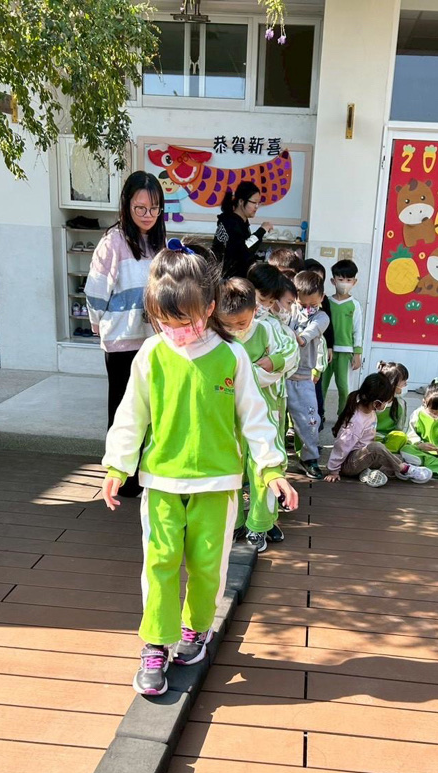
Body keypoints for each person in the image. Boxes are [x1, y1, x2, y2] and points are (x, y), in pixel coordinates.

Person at [101, 240, 298, 697]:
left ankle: (196, 628)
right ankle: (156, 642)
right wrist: (117, 466)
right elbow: (131, 415)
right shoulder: (152, 354)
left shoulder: (232, 357)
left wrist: (272, 469)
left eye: (185, 321)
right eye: (164, 322)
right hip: (161, 481)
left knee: (209, 565)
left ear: (209, 307)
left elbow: (256, 419)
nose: (176, 332)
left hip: (218, 483)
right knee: (160, 561)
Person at [86, 171, 167, 496]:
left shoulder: (160, 243)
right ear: (127, 206)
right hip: (121, 343)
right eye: (140, 208)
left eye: (154, 208)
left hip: (155, 340)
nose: (148, 215)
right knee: (123, 409)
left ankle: (146, 471)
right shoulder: (113, 242)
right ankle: (122, 476)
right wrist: (100, 325)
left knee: (152, 409)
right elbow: (95, 292)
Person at [219, 277, 299, 551]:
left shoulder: (267, 329)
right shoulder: (217, 336)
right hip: (229, 414)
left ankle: (260, 523)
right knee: (232, 467)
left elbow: (290, 353)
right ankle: (234, 521)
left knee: (264, 467)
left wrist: (273, 362)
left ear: (255, 311)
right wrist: (256, 371)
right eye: (228, 324)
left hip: (265, 411)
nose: (235, 329)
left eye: (241, 323)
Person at [325, 373, 432, 487]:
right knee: (377, 448)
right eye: (386, 402)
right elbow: (341, 447)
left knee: (396, 457)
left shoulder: (370, 411)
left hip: (362, 458)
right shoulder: (356, 421)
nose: (387, 404)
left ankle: (368, 473)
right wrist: (334, 470)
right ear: (376, 403)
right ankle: (403, 469)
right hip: (348, 464)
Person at [287, 270, 330, 480]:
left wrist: (300, 337)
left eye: (313, 303)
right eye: (302, 303)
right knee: (275, 421)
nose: (308, 308)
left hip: (303, 378)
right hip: (280, 376)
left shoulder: (322, 317)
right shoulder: (289, 311)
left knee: (310, 420)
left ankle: (309, 458)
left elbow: (311, 332)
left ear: (322, 297)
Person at [322, 258, 363, 416]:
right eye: (340, 279)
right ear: (333, 281)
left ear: (354, 282)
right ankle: (319, 415)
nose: (344, 283)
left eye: (348, 280)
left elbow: (357, 330)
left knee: (344, 388)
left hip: (346, 353)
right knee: (321, 386)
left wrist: (357, 353)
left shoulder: (355, 305)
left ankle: (343, 418)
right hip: (326, 351)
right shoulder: (326, 302)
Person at [212, 182, 274, 279]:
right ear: (241, 201)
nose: (256, 207)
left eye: (258, 203)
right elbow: (244, 249)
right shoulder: (231, 223)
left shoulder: (236, 221)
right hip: (229, 280)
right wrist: (262, 230)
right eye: (254, 202)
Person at [302, 258, 335, 427]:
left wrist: (330, 346)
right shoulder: (298, 303)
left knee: (316, 389)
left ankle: (319, 418)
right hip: (301, 357)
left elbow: (328, 326)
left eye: (319, 279)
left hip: (316, 353)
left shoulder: (323, 302)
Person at [375, 360, 409, 450]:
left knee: (402, 437)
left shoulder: (400, 403)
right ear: (392, 383)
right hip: (371, 436)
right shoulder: (373, 402)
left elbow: (399, 429)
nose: (406, 384)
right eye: (403, 381)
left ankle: (384, 452)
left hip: (389, 438)